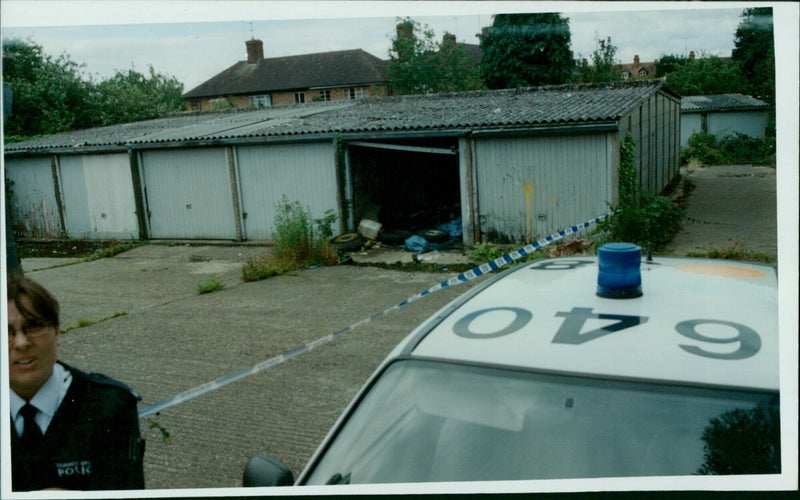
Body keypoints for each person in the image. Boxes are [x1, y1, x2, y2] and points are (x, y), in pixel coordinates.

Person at [7, 276, 145, 491]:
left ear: (57, 331)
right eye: (5, 331)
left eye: (34, 327)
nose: (22, 343)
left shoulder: (109, 405)